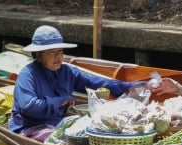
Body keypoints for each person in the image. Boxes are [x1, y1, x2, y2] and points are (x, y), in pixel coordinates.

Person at [9, 25, 146, 134]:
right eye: (51, 53)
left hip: (59, 122)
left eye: (60, 52)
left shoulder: (67, 72)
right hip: (32, 127)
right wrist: (62, 100)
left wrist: (129, 86)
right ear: (38, 56)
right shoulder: (28, 75)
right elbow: (29, 107)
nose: (57, 57)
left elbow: (96, 82)